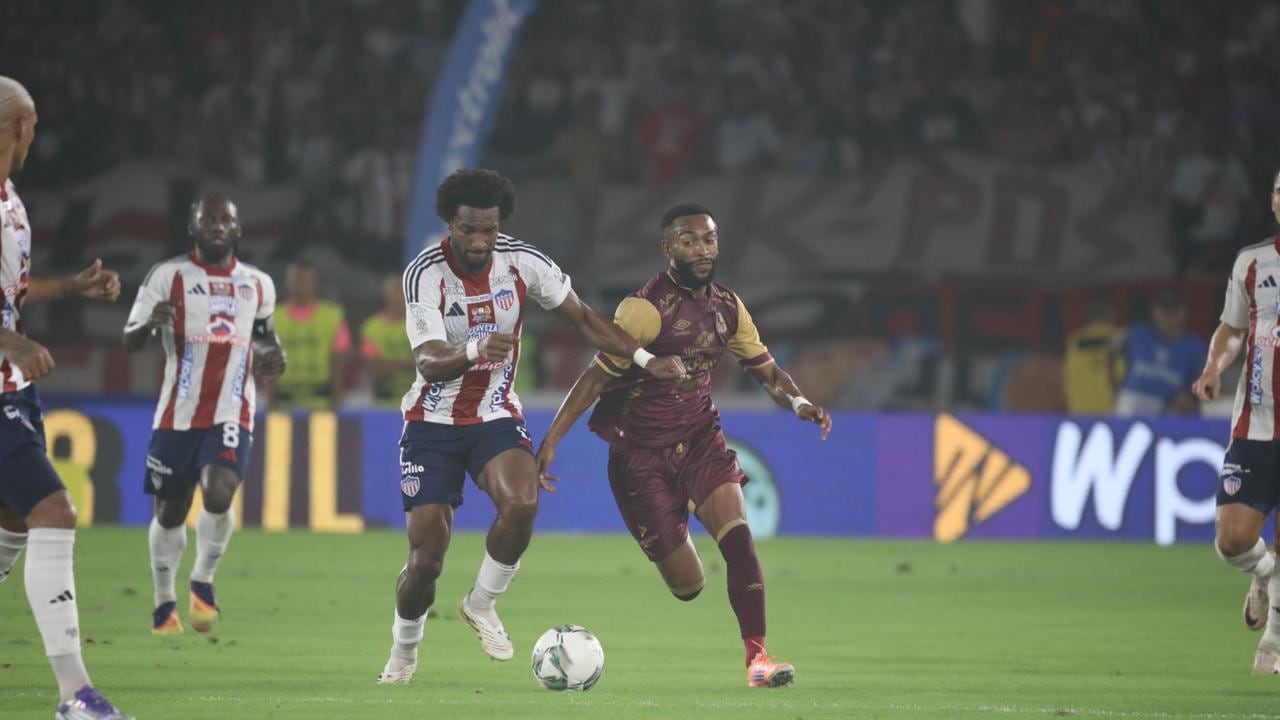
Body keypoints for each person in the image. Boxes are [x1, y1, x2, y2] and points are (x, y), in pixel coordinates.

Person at [376, 168, 686, 684]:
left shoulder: (522, 262)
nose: (480, 242)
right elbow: (428, 361)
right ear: (449, 224)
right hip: (430, 423)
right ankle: (403, 653)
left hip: (495, 415)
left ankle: (481, 603)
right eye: (469, 230)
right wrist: (475, 348)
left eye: (489, 231)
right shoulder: (424, 274)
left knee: (522, 503)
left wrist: (644, 358)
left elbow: (585, 319)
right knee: (425, 561)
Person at [535, 203, 832, 688]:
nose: (701, 249)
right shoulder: (644, 310)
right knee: (688, 586)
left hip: (700, 440)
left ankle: (757, 659)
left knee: (739, 540)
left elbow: (769, 372)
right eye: (689, 240)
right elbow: (593, 380)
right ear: (667, 247)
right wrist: (550, 441)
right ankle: (676, 525)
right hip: (639, 459)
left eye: (709, 239)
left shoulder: (729, 308)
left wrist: (799, 402)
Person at [0, 75, 133, 720]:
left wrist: (70, 289)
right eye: (33, 124)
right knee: (53, 512)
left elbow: (12, 295)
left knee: (12, 525)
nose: (36, 135)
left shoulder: (12, 201)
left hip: (13, 392)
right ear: (17, 127)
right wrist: (14, 346)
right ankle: (76, 695)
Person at [122, 193, 286, 636]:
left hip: (233, 410)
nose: (217, 225)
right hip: (176, 415)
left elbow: (266, 338)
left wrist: (274, 357)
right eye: (208, 219)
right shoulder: (167, 275)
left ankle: (203, 581)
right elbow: (131, 340)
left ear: (238, 229)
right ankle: (163, 600)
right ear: (192, 228)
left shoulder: (258, 284)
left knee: (219, 493)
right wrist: (150, 323)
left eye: (226, 219)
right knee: (170, 513)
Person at [1193, 168, 1280, 674]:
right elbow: (1232, 328)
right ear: (1272, 203)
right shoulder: (1253, 262)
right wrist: (1213, 366)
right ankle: (1264, 574)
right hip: (1256, 425)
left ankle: (1271, 645)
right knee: (1232, 539)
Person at [1113, 288, 1207, 416]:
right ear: (1155, 311)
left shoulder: (1195, 347)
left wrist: (1190, 398)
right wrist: (1115, 389)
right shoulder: (1136, 334)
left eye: (1174, 311)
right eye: (1164, 311)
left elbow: (1203, 384)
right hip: (1131, 403)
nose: (1169, 316)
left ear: (1183, 312)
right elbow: (1109, 353)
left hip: (1166, 410)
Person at [271, 261, 350, 409]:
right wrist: (270, 404)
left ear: (315, 282)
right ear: (288, 282)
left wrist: (336, 401)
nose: (301, 284)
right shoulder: (273, 317)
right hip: (283, 405)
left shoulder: (333, 316)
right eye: (297, 279)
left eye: (306, 279)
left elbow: (338, 362)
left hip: (321, 403)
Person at [359, 274, 417, 408]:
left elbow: (429, 364)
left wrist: (388, 364)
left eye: (403, 291)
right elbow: (374, 369)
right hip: (383, 404)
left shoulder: (423, 323)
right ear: (386, 295)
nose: (400, 296)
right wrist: (407, 363)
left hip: (419, 403)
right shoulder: (371, 328)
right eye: (396, 291)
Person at [1063, 294, 1119, 414]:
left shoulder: (1074, 341)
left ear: (1089, 316)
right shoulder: (1119, 339)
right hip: (1112, 415)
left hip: (1080, 413)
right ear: (1111, 314)